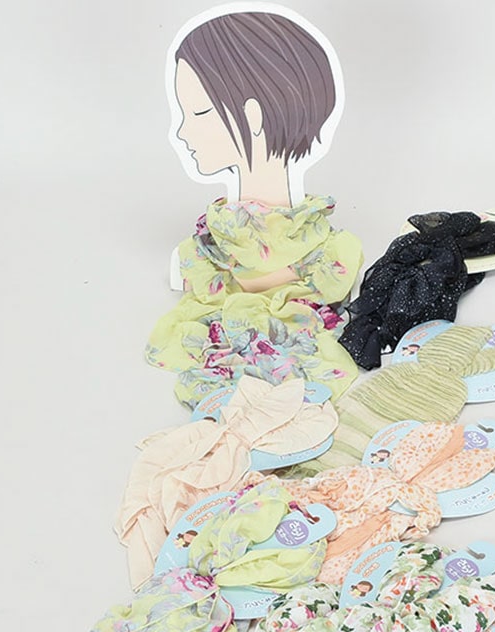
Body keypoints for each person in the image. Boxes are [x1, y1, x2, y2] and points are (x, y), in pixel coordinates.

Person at [147, 9, 363, 408]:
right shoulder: (202, 257)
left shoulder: (333, 259)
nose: (180, 132)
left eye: (198, 113)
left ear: (254, 116)